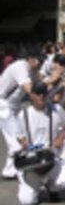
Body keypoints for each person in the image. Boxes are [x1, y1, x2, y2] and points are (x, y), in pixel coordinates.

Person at [16, 82, 65, 205]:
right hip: (33, 163)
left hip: (52, 158)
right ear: (31, 96)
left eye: (44, 93)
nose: (41, 96)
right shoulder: (23, 115)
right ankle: (33, 186)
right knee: (27, 202)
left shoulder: (56, 110)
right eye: (37, 93)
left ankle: (52, 187)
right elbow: (20, 138)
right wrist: (25, 145)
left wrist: (61, 138)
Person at [0, 47, 44, 179]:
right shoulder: (20, 67)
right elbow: (31, 90)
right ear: (30, 59)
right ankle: (17, 171)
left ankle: (9, 171)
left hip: (14, 105)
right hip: (3, 104)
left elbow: (42, 86)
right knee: (16, 141)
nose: (40, 64)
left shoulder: (32, 70)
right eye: (39, 61)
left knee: (19, 137)